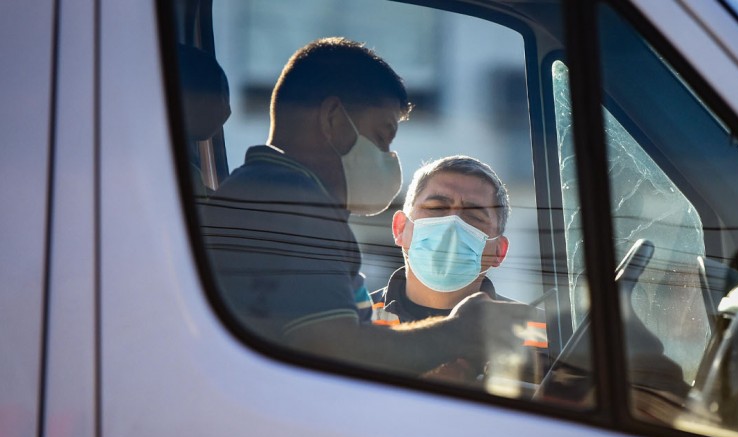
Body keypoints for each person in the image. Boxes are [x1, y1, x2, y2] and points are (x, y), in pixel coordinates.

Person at [197, 37, 530, 378]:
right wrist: (457, 334)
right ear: (333, 120)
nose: (387, 156)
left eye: (473, 214)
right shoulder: (290, 210)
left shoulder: (270, 196)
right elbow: (336, 350)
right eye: (383, 136)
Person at [371, 156, 548, 383]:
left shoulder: (540, 333)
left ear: (499, 251)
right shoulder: (353, 321)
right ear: (400, 228)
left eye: (474, 217)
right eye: (436, 208)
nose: (452, 224)